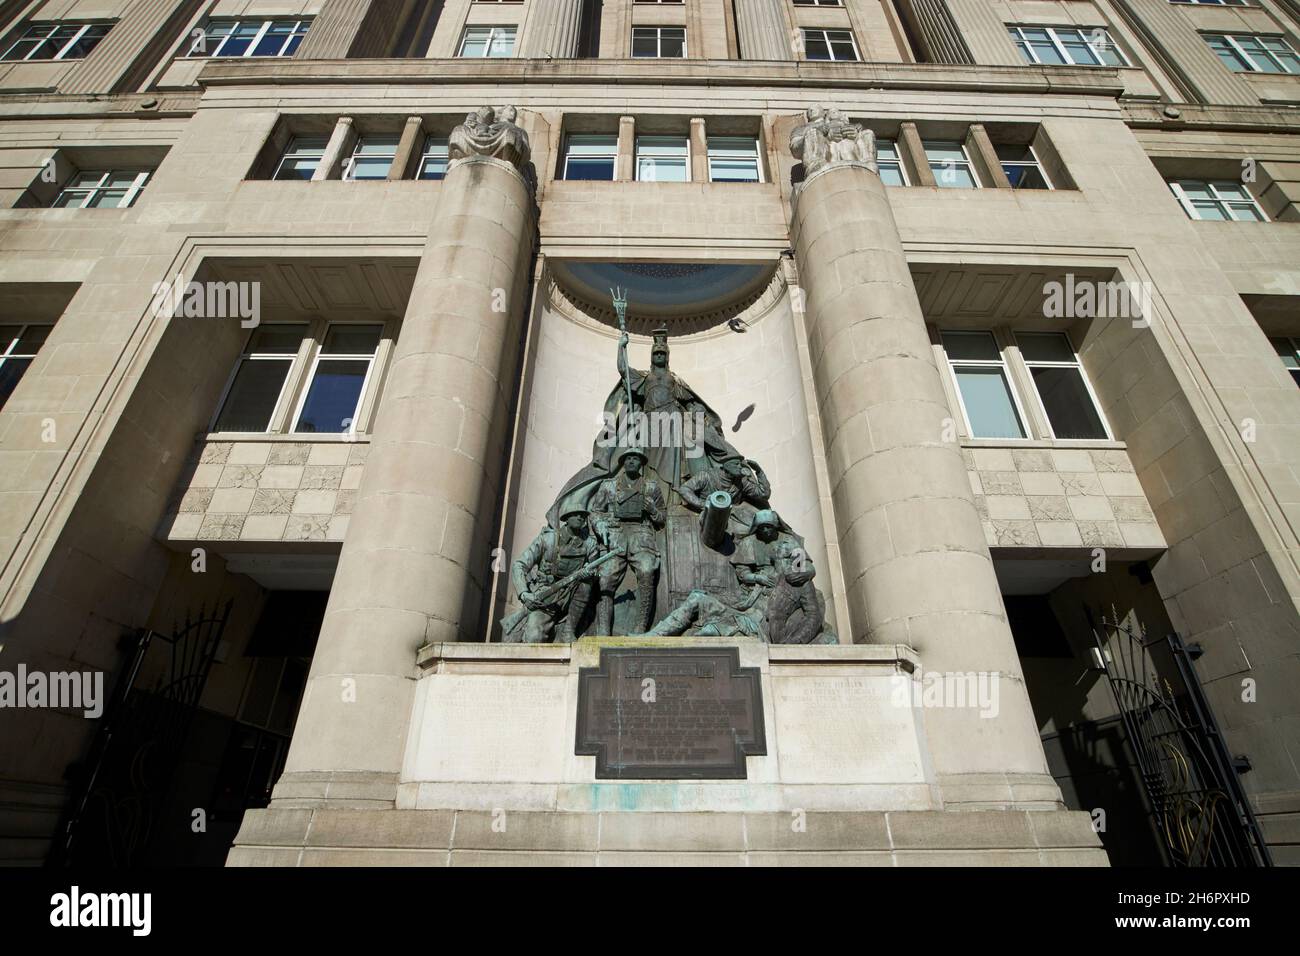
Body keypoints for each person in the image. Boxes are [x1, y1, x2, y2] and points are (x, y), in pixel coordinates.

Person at [588, 447, 666, 634]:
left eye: (635, 458)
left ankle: (640, 628)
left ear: (641, 463)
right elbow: (596, 512)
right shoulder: (608, 486)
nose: (631, 461)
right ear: (623, 462)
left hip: (642, 535)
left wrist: (653, 510)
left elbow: (662, 517)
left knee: (647, 571)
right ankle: (603, 632)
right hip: (615, 535)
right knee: (605, 579)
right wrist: (600, 526)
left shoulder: (651, 487)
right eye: (628, 458)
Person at [508, 508, 600, 643]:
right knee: (534, 637)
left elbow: (595, 571)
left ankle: (569, 631)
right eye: (575, 514)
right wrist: (524, 593)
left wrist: (590, 573)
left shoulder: (590, 543)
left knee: (585, 584)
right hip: (547, 595)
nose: (580, 517)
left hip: (572, 595)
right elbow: (519, 565)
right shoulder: (548, 539)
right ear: (566, 519)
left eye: (583, 515)